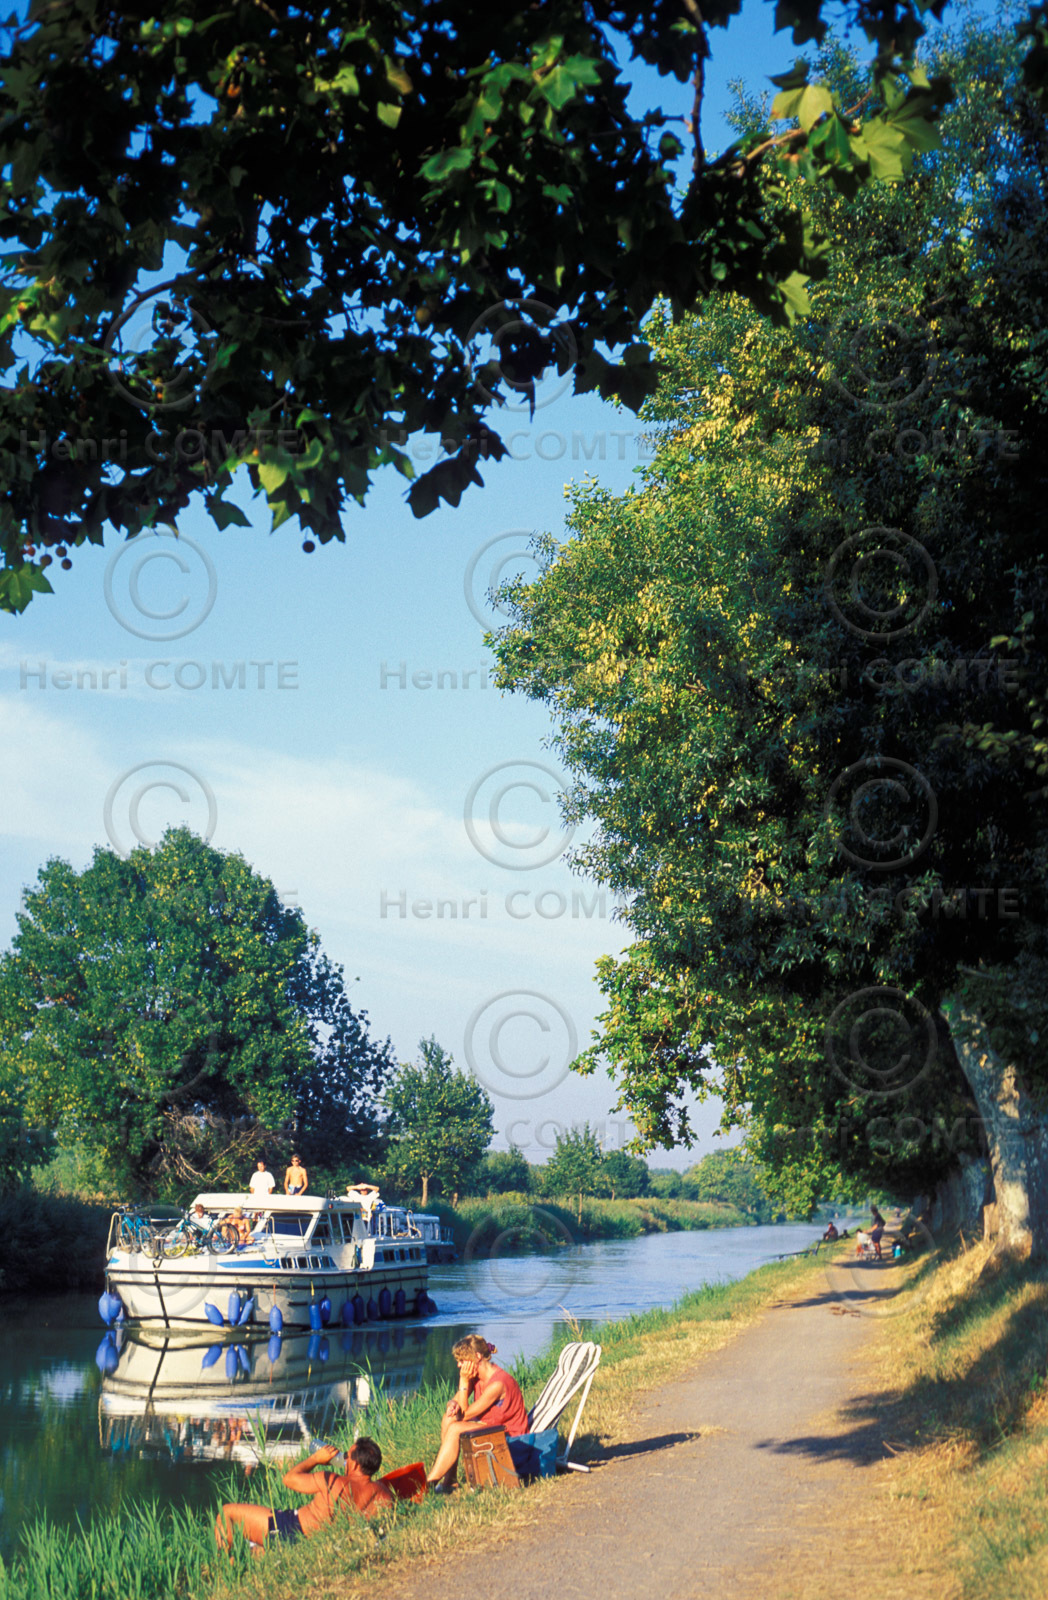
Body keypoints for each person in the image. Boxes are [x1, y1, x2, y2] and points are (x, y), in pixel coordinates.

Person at [215, 1438, 393, 1553]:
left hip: (291, 1529)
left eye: (347, 1456)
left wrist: (315, 1459)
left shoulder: (332, 1481)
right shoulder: (384, 1495)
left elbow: (289, 1479)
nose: (344, 1459)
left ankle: (226, 1570)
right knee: (256, 1552)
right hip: (317, 1545)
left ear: (353, 1464)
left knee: (227, 1512)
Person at [427, 1335, 530, 1491]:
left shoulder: (498, 1384)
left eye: (462, 1360)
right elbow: (456, 1404)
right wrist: (451, 1404)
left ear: (477, 1357)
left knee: (455, 1428)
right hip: (493, 1429)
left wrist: (463, 1380)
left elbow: (465, 1415)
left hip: (511, 1440)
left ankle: (428, 1484)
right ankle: (450, 1481)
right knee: (448, 1419)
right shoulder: (476, 1378)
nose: (458, 1365)